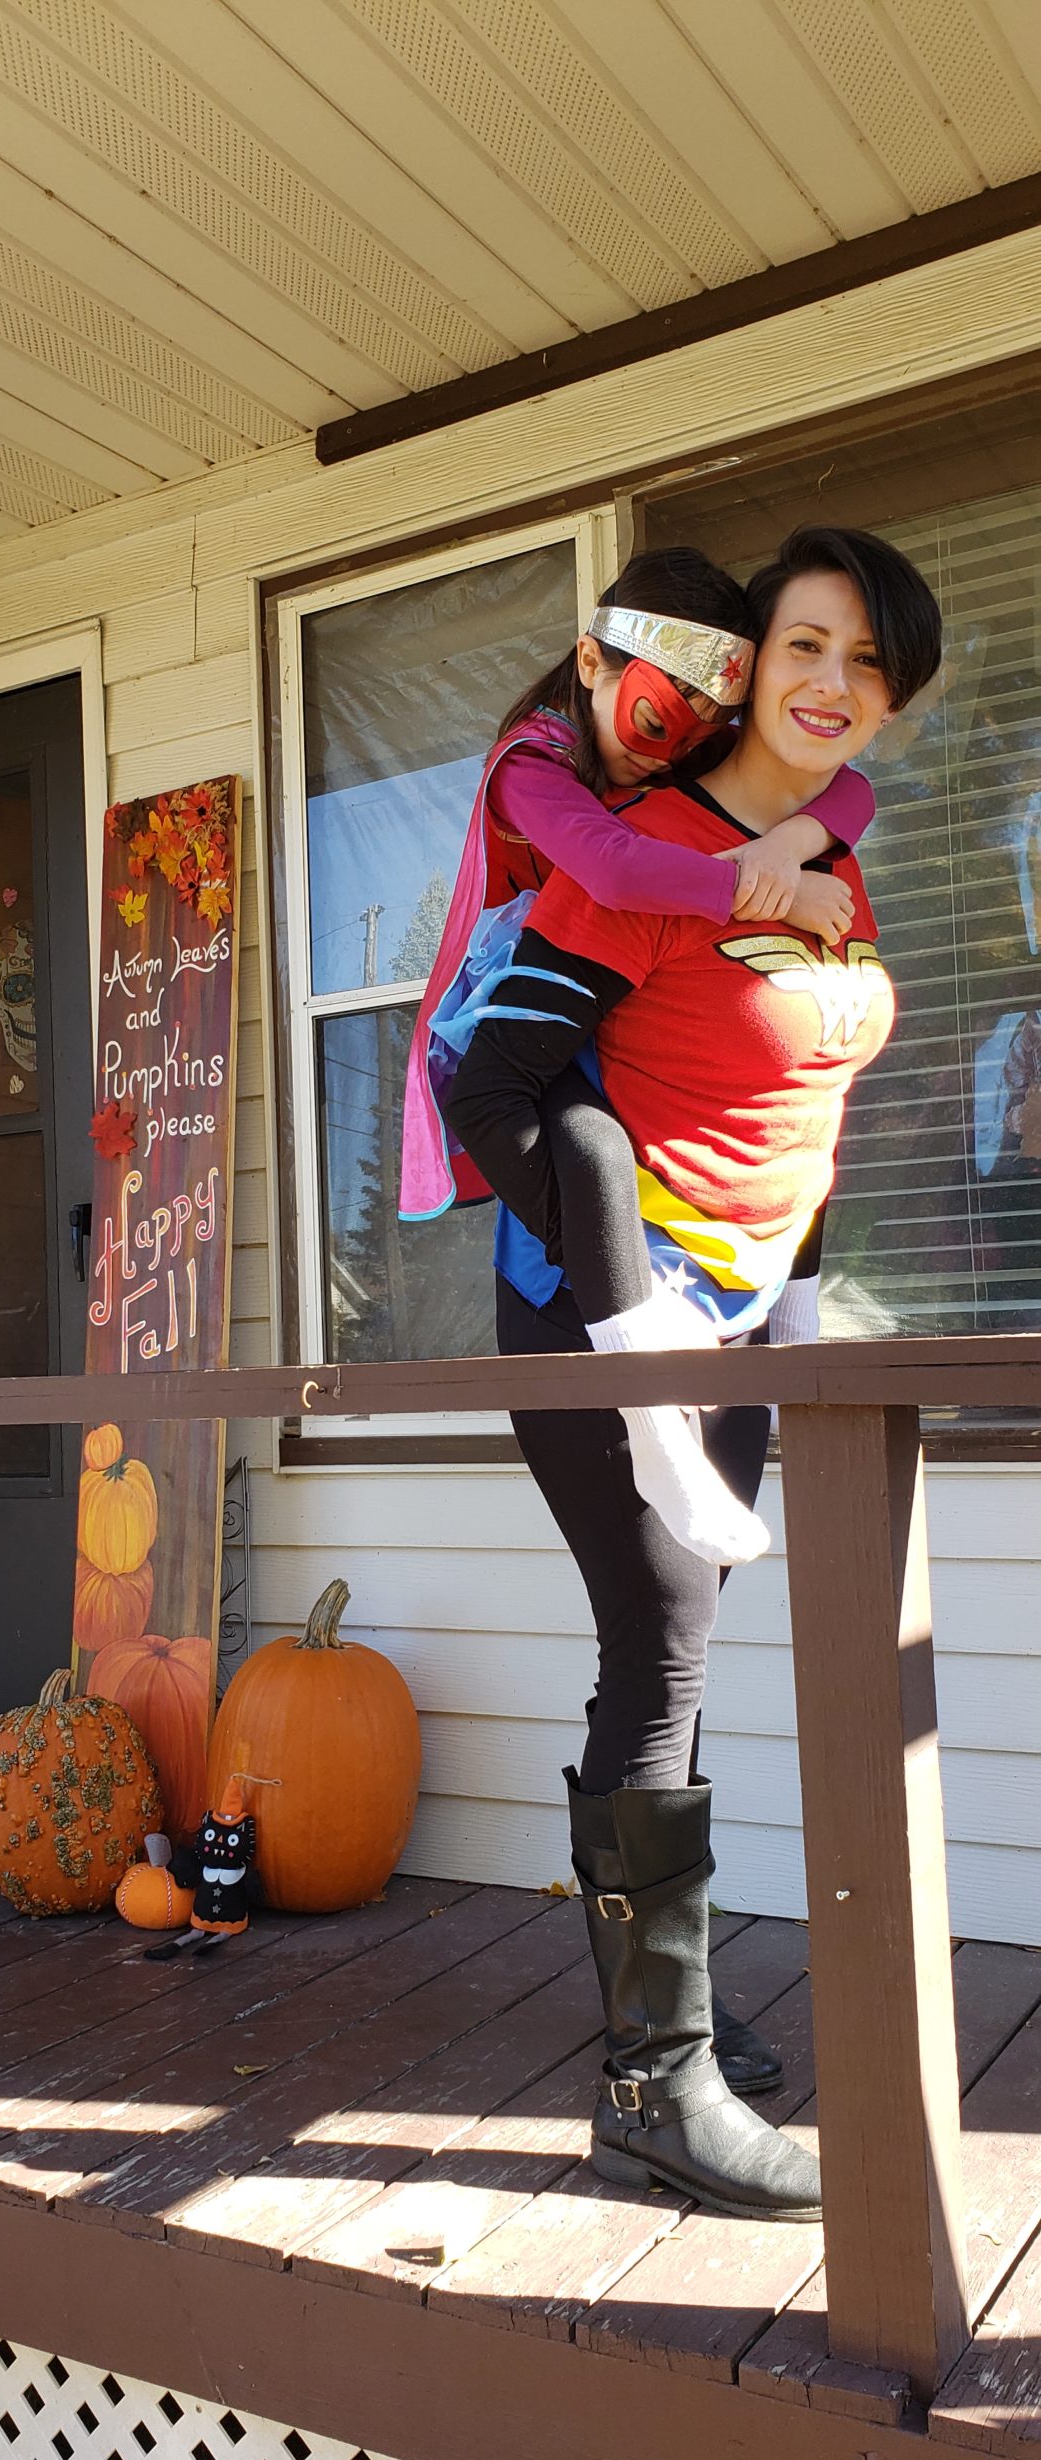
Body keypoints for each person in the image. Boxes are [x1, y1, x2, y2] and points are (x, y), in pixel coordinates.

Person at [442, 526, 943, 2221]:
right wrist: (621, 1312)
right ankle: (653, 2088)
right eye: (805, 643)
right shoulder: (639, 848)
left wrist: (795, 1299)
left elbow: (799, 1105)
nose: (829, 685)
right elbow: (499, 1087)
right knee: (657, 1651)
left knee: (665, 1654)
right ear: (741, 663)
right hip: (603, 1314)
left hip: (740, 1313)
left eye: (866, 665)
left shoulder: (817, 855)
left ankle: (660, 2018)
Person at [402, 546, 876, 1565]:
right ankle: (648, 1405)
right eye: (659, 722)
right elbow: (614, 869)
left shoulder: (653, 762)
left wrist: (788, 842)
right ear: (589, 661)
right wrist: (765, 883)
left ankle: (770, 1330)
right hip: (501, 1006)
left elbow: (852, 799)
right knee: (590, 1149)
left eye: (708, 734)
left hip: (593, 999)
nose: (672, 756)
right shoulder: (530, 763)